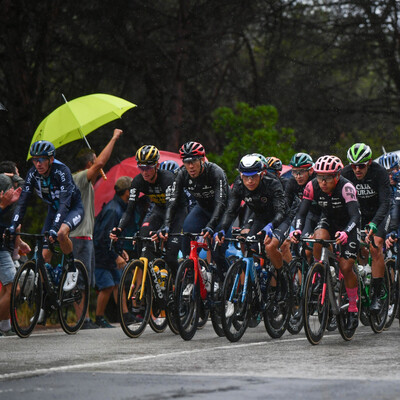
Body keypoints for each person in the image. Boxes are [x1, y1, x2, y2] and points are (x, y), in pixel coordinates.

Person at [291, 155, 361, 329]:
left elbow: (355, 216)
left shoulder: (346, 187)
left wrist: (346, 232)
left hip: (348, 225)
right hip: (328, 220)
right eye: (320, 176)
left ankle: (353, 307)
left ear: (336, 176)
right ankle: (322, 271)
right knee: (318, 238)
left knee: (345, 267)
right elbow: (301, 213)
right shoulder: (311, 185)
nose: (323, 181)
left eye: (327, 177)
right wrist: (297, 229)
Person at [9, 141, 84, 298]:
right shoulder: (33, 174)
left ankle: (71, 268)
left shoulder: (62, 171)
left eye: (42, 159)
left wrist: (55, 227)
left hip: (72, 208)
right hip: (53, 210)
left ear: (51, 159)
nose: (38, 163)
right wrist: (13, 226)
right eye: (35, 159)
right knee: (43, 258)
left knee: (62, 233)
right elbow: (22, 202)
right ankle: (46, 300)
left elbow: (64, 203)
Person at [71, 128, 123, 329]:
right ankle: (81, 320)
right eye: (95, 160)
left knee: (87, 280)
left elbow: (99, 162)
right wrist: (114, 137)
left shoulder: (88, 183)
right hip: (79, 237)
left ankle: (85, 317)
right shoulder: (80, 178)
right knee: (80, 280)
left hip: (86, 237)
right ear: (88, 165)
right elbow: (101, 162)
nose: (99, 164)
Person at [111, 146, 186, 280]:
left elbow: (171, 207)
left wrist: (165, 227)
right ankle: (155, 280)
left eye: (148, 168)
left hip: (177, 213)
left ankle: (179, 284)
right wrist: (119, 228)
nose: (144, 172)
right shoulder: (138, 181)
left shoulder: (168, 179)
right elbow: (130, 210)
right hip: (159, 211)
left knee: (170, 256)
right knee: (143, 236)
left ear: (157, 165)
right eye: (141, 168)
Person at [160, 141, 230, 278]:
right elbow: (172, 201)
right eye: (186, 162)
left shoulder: (216, 172)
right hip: (202, 209)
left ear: (202, 160)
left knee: (217, 252)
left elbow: (221, 203)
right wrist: (166, 225)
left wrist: (211, 226)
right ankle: (191, 276)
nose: (190, 166)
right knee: (186, 232)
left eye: (194, 161)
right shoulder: (182, 174)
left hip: (222, 211)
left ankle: (225, 280)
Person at [216, 154, 287, 278]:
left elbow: (280, 211)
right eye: (246, 177)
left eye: (254, 176)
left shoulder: (272, 183)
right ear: (241, 176)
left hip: (280, 218)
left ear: (262, 174)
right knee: (250, 248)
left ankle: (282, 279)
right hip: (260, 218)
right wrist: (223, 228)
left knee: (270, 247)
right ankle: (252, 285)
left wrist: (271, 226)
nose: (250, 181)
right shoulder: (238, 184)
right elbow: (231, 211)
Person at [341, 143, 391, 313]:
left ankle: (377, 295)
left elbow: (385, 202)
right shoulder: (345, 174)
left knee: (375, 245)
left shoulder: (379, 173)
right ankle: (363, 282)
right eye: (353, 165)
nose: (357, 170)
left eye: (361, 166)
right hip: (359, 214)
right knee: (357, 248)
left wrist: (375, 223)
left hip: (379, 214)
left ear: (369, 162)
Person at [93, 176, 133, 328]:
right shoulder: (113, 210)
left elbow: (115, 236)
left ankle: (125, 315)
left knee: (119, 282)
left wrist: (120, 250)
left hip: (109, 253)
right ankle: (99, 317)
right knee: (108, 286)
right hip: (102, 255)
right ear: (127, 192)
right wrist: (115, 256)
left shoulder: (119, 206)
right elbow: (104, 237)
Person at [0, 174, 29, 336]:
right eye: (9, 189)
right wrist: (3, 205)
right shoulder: (4, 205)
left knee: (9, 289)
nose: (13, 192)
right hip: (2, 251)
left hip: (3, 249)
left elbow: (13, 228)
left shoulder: (9, 206)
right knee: (13, 289)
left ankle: (4, 326)